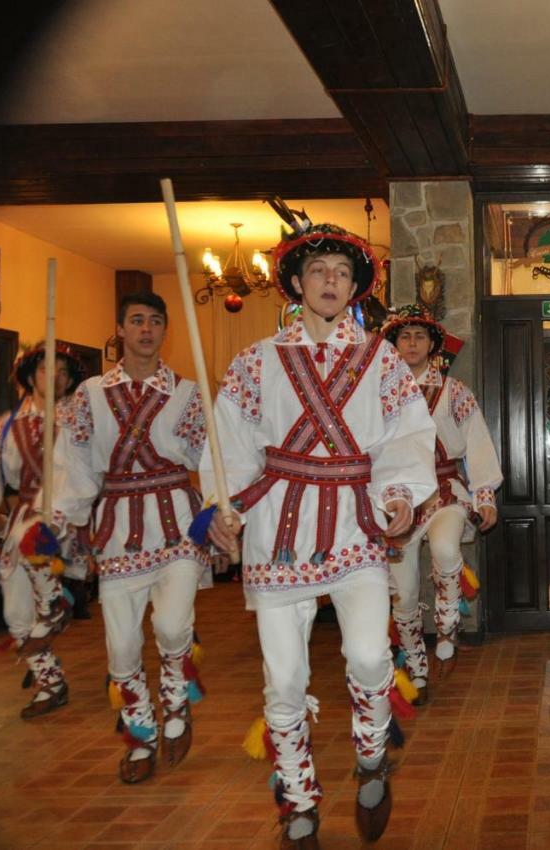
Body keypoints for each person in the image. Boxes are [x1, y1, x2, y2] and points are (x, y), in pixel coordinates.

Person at [205, 213, 436, 849]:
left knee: (366, 655)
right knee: (283, 677)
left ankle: (370, 753)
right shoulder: (256, 362)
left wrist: (397, 494)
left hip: (355, 524)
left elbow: (407, 436)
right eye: (318, 271)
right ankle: (298, 796)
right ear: (297, 284)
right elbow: (229, 443)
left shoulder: (381, 360)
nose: (330, 281)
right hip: (275, 529)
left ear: (355, 286)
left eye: (341, 272)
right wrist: (221, 504)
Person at [45, 292, 210, 784]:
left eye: (155, 321)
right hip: (118, 532)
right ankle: (140, 733)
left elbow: (211, 456)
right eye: (136, 321)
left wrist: (223, 503)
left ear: (165, 330)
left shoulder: (187, 392)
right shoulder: (89, 395)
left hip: (177, 522)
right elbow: (72, 465)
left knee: (174, 627)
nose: (145, 329)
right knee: (120, 648)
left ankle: (178, 701)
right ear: (120, 329)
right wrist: (55, 520)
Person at [0, 342, 88, 718]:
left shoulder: (80, 418)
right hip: (26, 513)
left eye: (63, 372)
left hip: (72, 516)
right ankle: (49, 681)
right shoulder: (6, 426)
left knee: (33, 539)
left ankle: (55, 604)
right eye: (46, 370)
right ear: (30, 376)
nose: (55, 378)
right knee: (15, 610)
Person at [383, 302, 501, 702]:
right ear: (394, 344)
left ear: (433, 344)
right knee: (404, 589)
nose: (412, 343)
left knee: (447, 546)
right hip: (394, 501)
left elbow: (478, 443)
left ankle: (449, 621)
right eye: (404, 336)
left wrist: (484, 495)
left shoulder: (455, 391)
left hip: (444, 489)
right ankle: (415, 664)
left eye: (420, 336)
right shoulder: (381, 394)